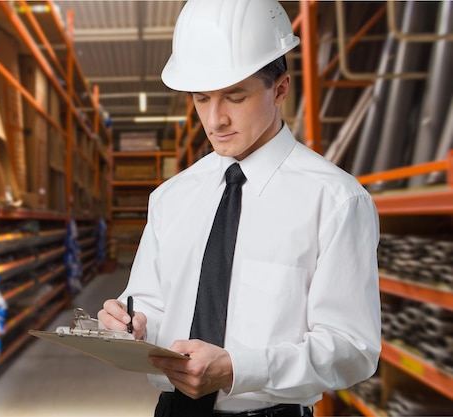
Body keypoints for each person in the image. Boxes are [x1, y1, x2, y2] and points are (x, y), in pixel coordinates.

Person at [98, 1, 381, 416]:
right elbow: (152, 305)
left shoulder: (335, 200)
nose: (215, 120)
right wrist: (131, 323)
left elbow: (352, 348)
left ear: (280, 88)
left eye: (234, 97)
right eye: (201, 98)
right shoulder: (171, 197)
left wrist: (236, 369)